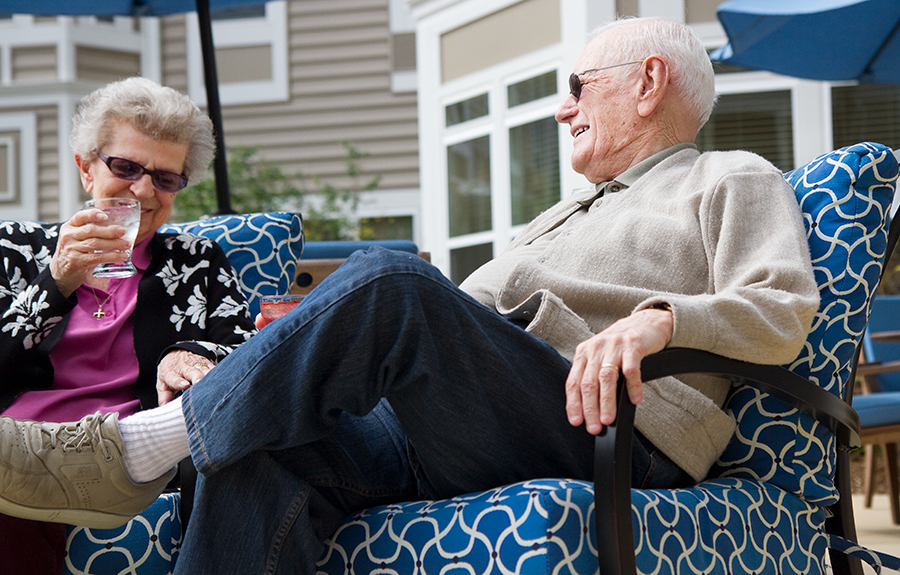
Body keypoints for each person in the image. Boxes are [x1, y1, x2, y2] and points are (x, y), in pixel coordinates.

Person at [0, 17, 820, 575]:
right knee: (259, 447)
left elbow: (782, 307)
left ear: (648, 81)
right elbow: (443, 327)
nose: (562, 105)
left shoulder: (729, 177)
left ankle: (132, 450)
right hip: (467, 418)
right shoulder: (556, 216)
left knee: (391, 279)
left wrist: (662, 319)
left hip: (608, 425)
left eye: (578, 83)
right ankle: (158, 446)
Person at [0, 77, 255, 573]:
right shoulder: (13, 248)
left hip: (129, 458)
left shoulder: (197, 261)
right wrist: (56, 281)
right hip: (15, 447)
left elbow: (246, 355)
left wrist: (189, 351)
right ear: (86, 169)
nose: (142, 189)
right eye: (125, 167)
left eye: (165, 178)